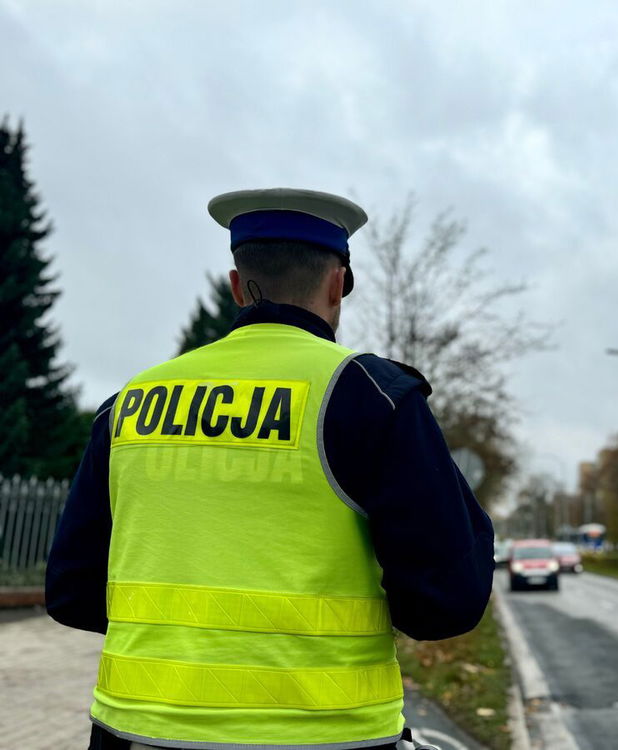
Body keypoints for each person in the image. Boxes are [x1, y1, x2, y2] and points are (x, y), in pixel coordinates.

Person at [45, 188, 495, 750]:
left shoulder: (130, 402)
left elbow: (71, 592)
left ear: (238, 286)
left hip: (136, 731)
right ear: (337, 284)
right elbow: (446, 603)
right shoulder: (369, 396)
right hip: (325, 735)